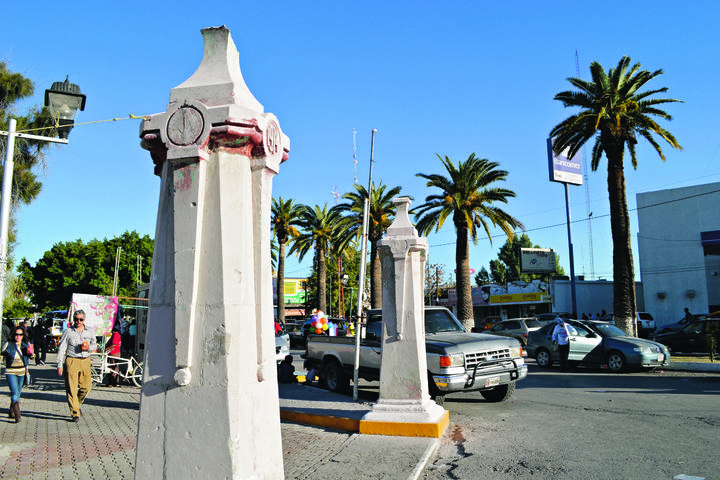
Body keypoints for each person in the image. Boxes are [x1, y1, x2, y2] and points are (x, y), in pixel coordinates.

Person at [57, 310, 97, 422]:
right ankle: (75, 413)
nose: (78, 321)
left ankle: (76, 405)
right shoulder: (68, 331)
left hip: (85, 360)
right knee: (72, 388)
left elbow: (94, 345)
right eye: (76, 319)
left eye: (81, 319)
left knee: (86, 387)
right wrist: (59, 364)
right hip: (72, 360)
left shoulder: (89, 331)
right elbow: (61, 348)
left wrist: (89, 347)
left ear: (84, 320)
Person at [2, 326, 34, 423]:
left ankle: (11, 410)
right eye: (16, 334)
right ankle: (17, 414)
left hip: (22, 371)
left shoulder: (25, 345)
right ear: (13, 335)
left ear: (23, 335)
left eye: (20, 335)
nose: (18, 337)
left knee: (18, 392)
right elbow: (2, 354)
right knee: (14, 391)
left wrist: (32, 353)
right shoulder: (8, 344)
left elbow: (32, 357)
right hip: (10, 371)